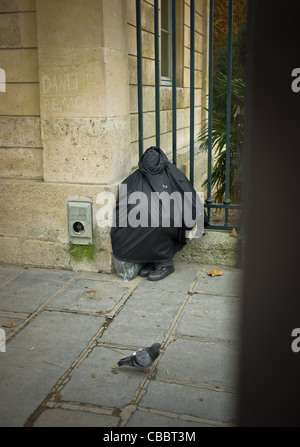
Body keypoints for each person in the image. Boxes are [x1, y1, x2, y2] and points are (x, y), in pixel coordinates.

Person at [110, 146, 206, 281]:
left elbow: (186, 193)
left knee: (162, 221)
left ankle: (164, 263)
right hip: (147, 220)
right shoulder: (138, 176)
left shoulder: (170, 173)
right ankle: (151, 260)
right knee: (144, 220)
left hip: (170, 223)